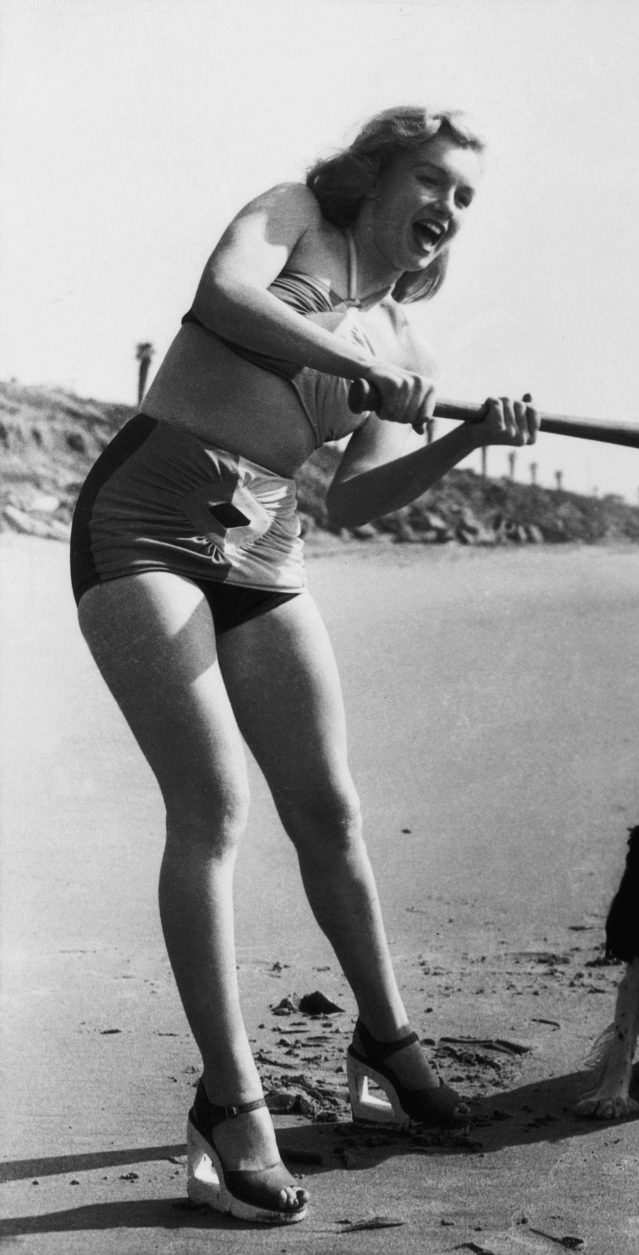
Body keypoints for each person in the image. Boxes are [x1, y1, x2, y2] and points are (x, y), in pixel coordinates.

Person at [69, 106, 538, 1226]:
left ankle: (386, 1045)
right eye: (433, 180)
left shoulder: (409, 351)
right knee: (214, 804)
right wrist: (352, 361)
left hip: (267, 545)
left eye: (466, 199)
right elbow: (222, 301)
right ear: (375, 175)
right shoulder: (292, 219)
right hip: (146, 519)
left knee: (330, 809)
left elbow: (358, 499)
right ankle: (230, 1106)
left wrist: (460, 437)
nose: (447, 210)